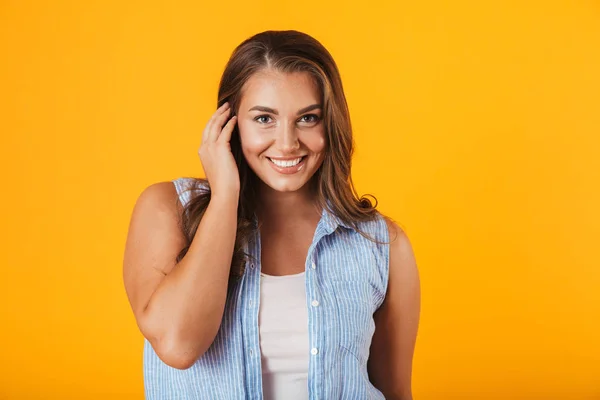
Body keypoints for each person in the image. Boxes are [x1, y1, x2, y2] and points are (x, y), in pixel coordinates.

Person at [123, 29, 420, 400]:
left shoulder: (380, 245)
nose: (286, 143)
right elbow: (179, 345)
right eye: (264, 119)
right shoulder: (168, 208)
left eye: (308, 118)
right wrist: (225, 196)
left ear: (332, 124)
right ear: (229, 124)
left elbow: (396, 392)